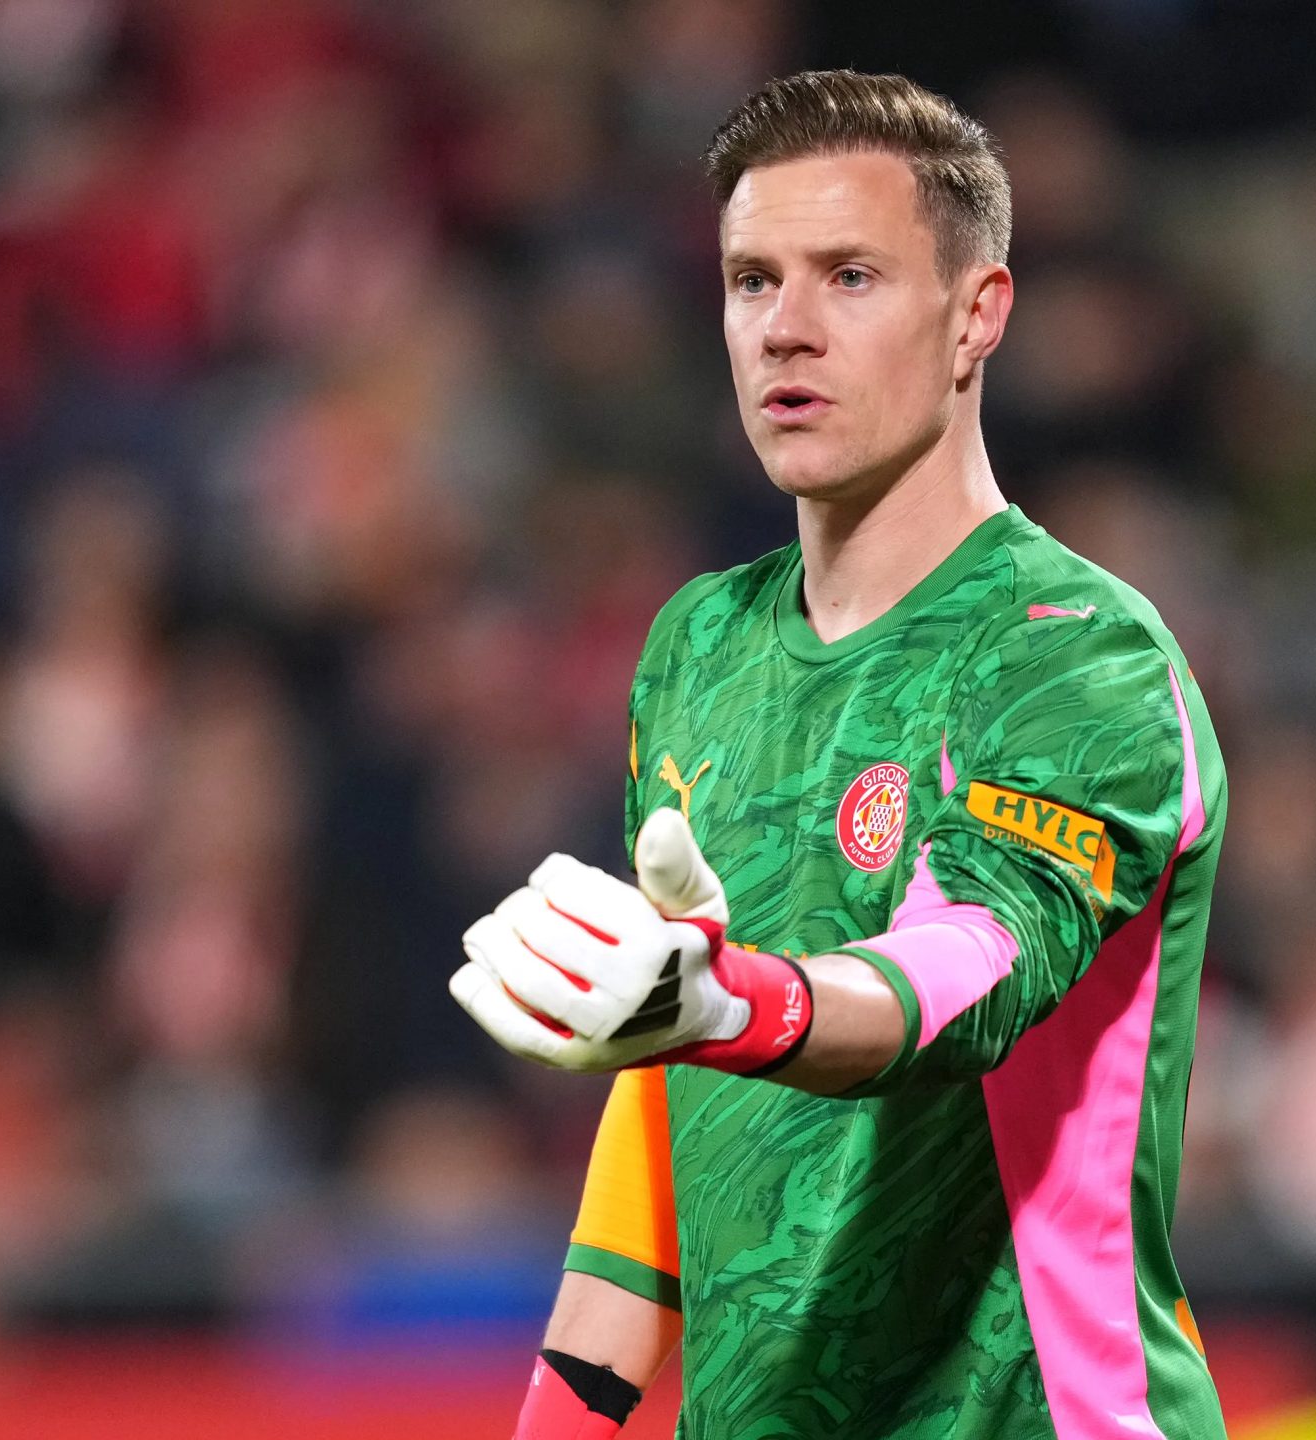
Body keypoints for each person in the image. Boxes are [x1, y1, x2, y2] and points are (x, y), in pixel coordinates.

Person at [451, 70, 1229, 1440]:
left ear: (976, 314)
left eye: (850, 277)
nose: (786, 329)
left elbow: (969, 970)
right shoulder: (700, 645)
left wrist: (735, 1008)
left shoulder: (1077, 658)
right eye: (752, 281)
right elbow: (667, 1102)